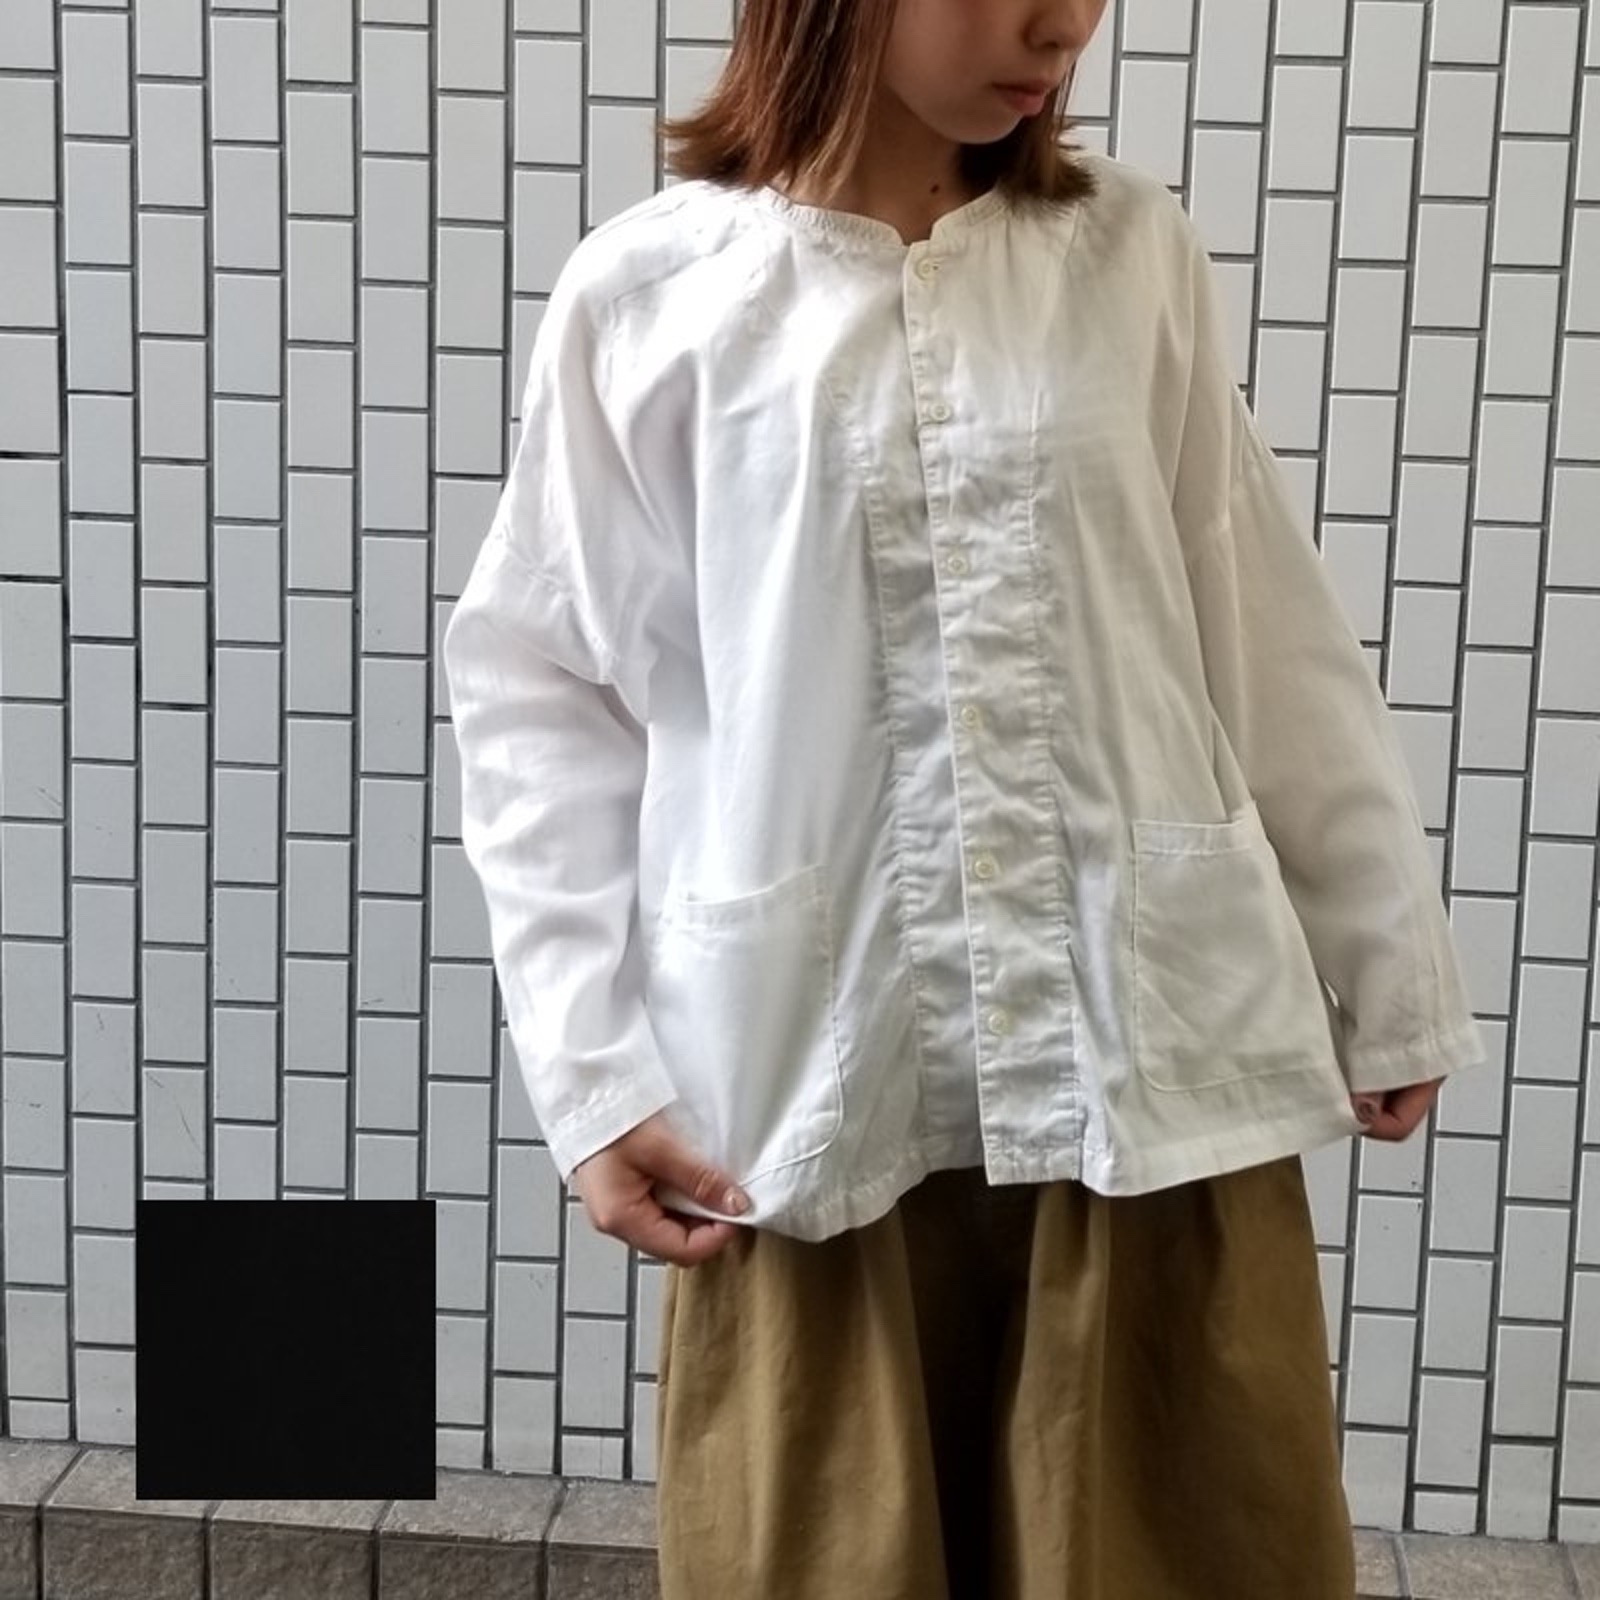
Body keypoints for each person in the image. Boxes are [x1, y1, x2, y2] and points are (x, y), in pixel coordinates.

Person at [441, 0, 1488, 1594]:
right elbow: (542, 694)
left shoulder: (1124, 254)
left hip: (1142, 1076)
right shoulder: (652, 298)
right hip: (818, 1091)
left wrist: (1381, 955)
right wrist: (592, 1079)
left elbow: (1250, 609)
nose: (1062, 22)